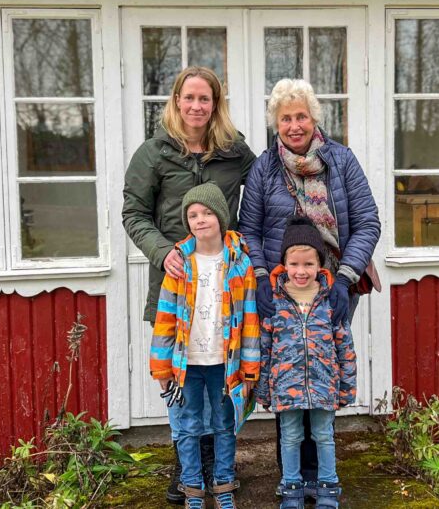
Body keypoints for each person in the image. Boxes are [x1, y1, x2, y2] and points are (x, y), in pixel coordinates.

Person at [239, 78, 380, 494]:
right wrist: (261, 277)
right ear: (276, 123)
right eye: (286, 118)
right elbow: (249, 230)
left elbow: (368, 222)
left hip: (334, 286)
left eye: (301, 116)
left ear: (314, 118)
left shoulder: (341, 160)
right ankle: (292, 478)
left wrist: (346, 277)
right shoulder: (265, 167)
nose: (294, 125)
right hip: (283, 291)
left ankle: (321, 474)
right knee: (287, 373)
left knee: (321, 369)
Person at [123, 66, 256, 504]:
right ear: (177, 101)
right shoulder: (153, 154)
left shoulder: (235, 152)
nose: (196, 106)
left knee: (220, 384)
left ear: (215, 105)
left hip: (224, 288)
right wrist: (162, 252)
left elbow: (266, 192)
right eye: (189, 97)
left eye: (205, 99)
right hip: (176, 286)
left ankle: (218, 470)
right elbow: (134, 213)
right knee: (183, 381)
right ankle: (187, 472)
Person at [149, 183, 261, 509]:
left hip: (225, 364)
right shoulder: (179, 264)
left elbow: (249, 318)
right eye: (193, 215)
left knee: (224, 425)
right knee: (188, 427)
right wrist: (161, 368)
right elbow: (165, 318)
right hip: (186, 364)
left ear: (221, 217)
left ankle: (223, 486)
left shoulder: (240, 264)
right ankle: (193, 489)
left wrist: (250, 368)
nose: (200, 220)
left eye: (207, 213)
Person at [256, 216, 356, 509]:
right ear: (284, 264)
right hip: (286, 388)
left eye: (309, 264)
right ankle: (291, 487)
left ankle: (327, 487)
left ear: (320, 265)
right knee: (290, 436)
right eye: (294, 264)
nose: (301, 271)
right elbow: (265, 348)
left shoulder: (330, 300)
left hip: (324, 385)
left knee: (324, 435)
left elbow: (345, 346)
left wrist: (347, 386)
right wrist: (263, 389)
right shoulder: (274, 301)